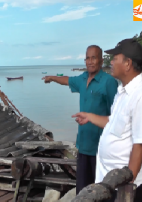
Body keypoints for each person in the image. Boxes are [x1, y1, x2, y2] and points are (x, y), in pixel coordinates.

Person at [72, 39, 142, 202]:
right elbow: (113, 122)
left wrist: (128, 186)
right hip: (109, 181)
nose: (110, 62)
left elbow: (140, 145)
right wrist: (90, 117)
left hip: (123, 187)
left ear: (127, 63)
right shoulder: (122, 92)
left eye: (114, 58)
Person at [42, 45, 118, 194]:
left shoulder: (109, 82)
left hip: (102, 149)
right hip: (83, 147)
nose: (90, 61)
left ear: (101, 61)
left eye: (94, 58)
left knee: (102, 192)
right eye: (87, 58)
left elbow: (116, 117)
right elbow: (67, 80)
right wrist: (52, 78)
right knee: (82, 191)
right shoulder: (83, 79)